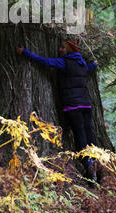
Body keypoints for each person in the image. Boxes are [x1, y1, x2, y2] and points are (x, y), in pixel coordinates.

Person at [17, 39, 98, 182]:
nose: (60, 50)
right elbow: (87, 69)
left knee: (81, 135)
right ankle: (95, 161)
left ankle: (88, 165)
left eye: (63, 48)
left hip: (73, 105)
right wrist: (94, 65)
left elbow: (43, 61)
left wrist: (25, 52)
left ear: (69, 51)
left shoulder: (63, 62)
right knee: (89, 132)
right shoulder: (82, 63)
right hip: (85, 104)